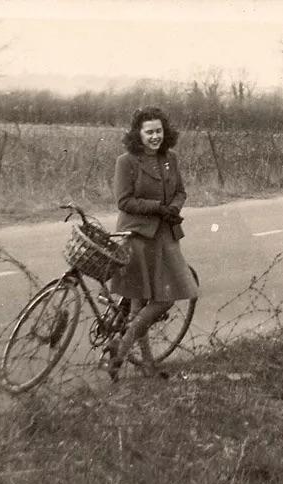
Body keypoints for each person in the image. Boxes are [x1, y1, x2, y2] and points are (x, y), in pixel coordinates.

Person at [105, 106, 199, 379]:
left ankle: (120, 350)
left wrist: (174, 207)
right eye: (149, 132)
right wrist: (159, 207)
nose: (155, 137)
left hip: (167, 235)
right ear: (139, 134)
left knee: (169, 296)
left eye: (158, 131)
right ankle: (144, 363)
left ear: (164, 131)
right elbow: (124, 201)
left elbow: (181, 191)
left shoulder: (172, 158)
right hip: (137, 237)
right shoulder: (127, 161)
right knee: (141, 301)